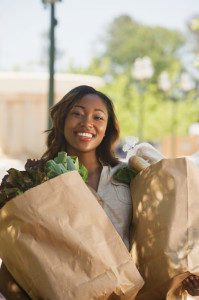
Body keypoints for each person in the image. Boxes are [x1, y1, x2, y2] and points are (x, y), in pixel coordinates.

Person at [0, 85, 198, 299]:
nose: (87, 123)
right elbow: (13, 263)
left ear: (108, 128)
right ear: (62, 120)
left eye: (98, 117)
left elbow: (160, 240)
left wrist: (186, 278)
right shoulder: (37, 183)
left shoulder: (132, 175)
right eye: (77, 113)